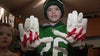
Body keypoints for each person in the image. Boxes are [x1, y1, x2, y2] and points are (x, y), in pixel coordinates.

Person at [18, 0, 88, 56]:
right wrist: (27, 51)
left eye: (57, 9)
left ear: (61, 12)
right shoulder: (36, 32)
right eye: (49, 10)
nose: (53, 12)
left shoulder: (72, 31)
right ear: (46, 13)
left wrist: (80, 47)